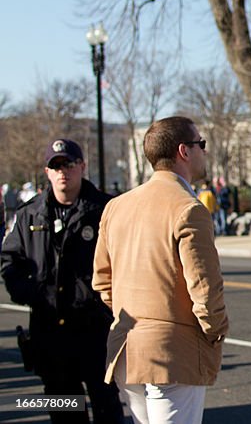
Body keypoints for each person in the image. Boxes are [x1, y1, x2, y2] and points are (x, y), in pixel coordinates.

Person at [93, 117, 229, 424]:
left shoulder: (117, 206)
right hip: (173, 352)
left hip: (127, 347)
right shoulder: (189, 209)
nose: (203, 152)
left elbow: (102, 281)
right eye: (201, 144)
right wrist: (215, 330)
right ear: (184, 151)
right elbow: (204, 286)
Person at [1, 139, 123, 423]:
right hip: (50, 333)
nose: (62, 171)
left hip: (96, 331)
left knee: (107, 408)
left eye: (68, 164)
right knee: (66, 411)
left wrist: (104, 301)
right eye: (56, 166)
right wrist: (31, 293)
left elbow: (127, 262)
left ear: (82, 166)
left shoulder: (107, 210)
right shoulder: (29, 214)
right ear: (47, 172)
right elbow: (10, 261)